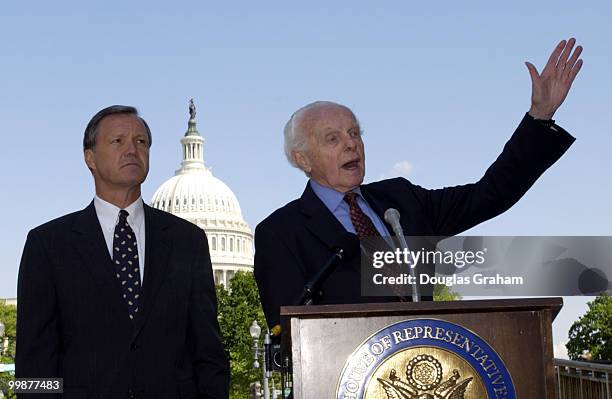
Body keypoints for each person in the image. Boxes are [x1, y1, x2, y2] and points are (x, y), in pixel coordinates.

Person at [254, 38, 583, 328]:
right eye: (333, 138)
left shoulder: (403, 202)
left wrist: (539, 116)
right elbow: (290, 339)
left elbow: (491, 193)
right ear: (303, 159)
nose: (351, 144)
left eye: (355, 133)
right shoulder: (280, 234)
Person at [16, 105, 229, 398]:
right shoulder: (48, 244)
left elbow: (209, 354)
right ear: (89, 157)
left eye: (141, 142)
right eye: (118, 141)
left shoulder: (187, 241)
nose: (132, 150)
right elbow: (32, 367)